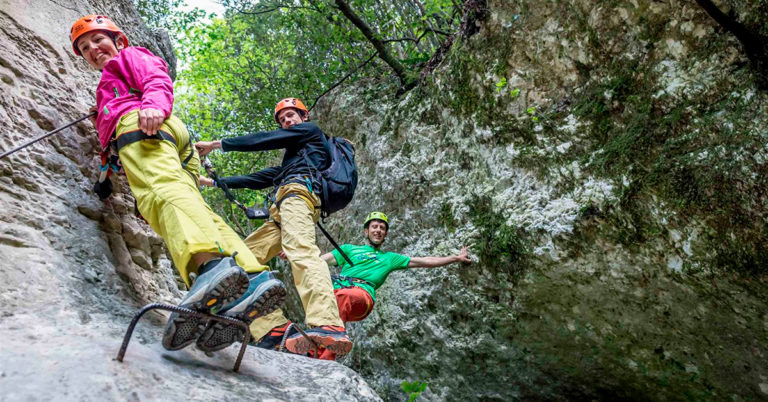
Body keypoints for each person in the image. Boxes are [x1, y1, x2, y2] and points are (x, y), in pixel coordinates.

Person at [69, 14, 285, 352]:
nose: (92, 49)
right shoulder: (113, 82)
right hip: (169, 134)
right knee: (194, 206)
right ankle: (252, 278)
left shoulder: (127, 58)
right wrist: (105, 177)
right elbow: (114, 145)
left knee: (159, 194)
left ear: (119, 40)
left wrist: (153, 104)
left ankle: (211, 267)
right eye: (84, 47)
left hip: (146, 123)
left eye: (98, 40)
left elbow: (156, 77)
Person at [194, 97, 351, 356]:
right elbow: (258, 179)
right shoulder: (297, 159)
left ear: (304, 117)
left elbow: (265, 139)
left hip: (298, 196)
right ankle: (270, 328)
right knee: (237, 262)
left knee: (301, 251)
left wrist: (216, 145)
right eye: (282, 119)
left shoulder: (311, 132)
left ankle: (328, 324)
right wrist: (207, 182)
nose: (287, 121)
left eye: (291, 116)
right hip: (282, 210)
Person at [253, 211, 470, 360]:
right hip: (338, 290)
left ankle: (325, 358)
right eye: (374, 227)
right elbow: (317, 259)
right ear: (366, 231)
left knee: (343, 298)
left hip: (361, 296)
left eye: (382, 228)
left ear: (385, 234)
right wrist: (291, 255)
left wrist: (455, 258)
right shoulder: (348, 249)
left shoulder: (390, 258)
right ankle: (313, 347)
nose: (378, 230)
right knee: (324, 300)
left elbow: (423, 261)